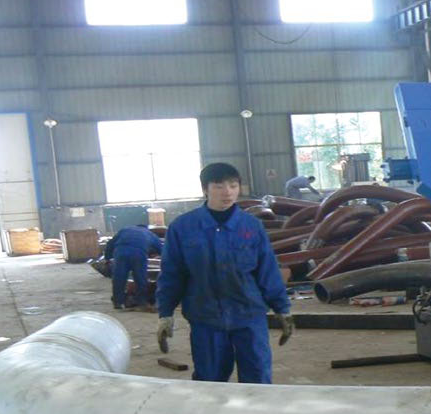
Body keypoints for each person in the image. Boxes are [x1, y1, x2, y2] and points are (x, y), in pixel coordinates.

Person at [156, 163, 294, 384]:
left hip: (249, 315)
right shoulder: (183, 228)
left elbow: (267, 271)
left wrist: (282, 309)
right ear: (205, 189)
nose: (227, 192)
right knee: (210, 381)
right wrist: (165, 313)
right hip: (205, 317)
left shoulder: (251, 227)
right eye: (219, 186)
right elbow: (172, 274)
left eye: (233, 185)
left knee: (258, 378)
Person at [104, 224, 163, 310]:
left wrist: (107, 258)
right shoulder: (150, 234)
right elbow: (162, 249)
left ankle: (118, 302)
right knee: (140, 278)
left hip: (120, 252)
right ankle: (142, 302)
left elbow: (110, 244)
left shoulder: (125, 230)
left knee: (119, 278)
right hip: (138, 253)